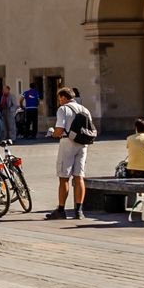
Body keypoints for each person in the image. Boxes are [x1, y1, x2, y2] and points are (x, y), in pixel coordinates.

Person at [47, 86, 95, 220]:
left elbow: (59, 130)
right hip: (83, 143)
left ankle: (61, 210)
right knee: (79, 176)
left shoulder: (63, 109)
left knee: (64, 177)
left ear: (63, 97)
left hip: (67, 142)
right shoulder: (84, 109)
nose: (59, 101)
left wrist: (52, 133)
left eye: (59, 98)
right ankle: (79, 210)